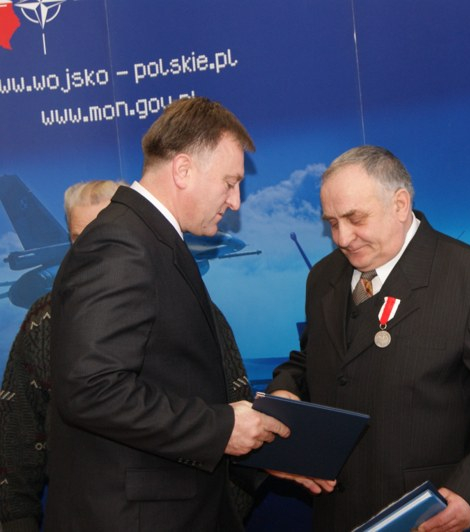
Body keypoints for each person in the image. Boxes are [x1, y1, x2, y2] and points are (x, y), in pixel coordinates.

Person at [268, 145, 470, 531]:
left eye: (355, 219)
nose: (343, 238)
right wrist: (284, 392)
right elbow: (313, 358)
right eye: (332, 223)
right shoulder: (323, 277)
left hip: (423, 517)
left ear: (400, 204)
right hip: (333, 515)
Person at [43, 97, 287, 531]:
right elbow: (91, 389)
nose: (235, 201)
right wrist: (220, 427)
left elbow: (169, 376)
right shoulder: (121, 244)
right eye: (230, 182)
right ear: (183, 170)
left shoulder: (148, 238)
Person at [0, 180, 121, 532]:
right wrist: (16, 521)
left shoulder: (183, 307)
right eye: (78, 237)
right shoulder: (43, 321)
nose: (88, 250)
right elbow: (16, 436)